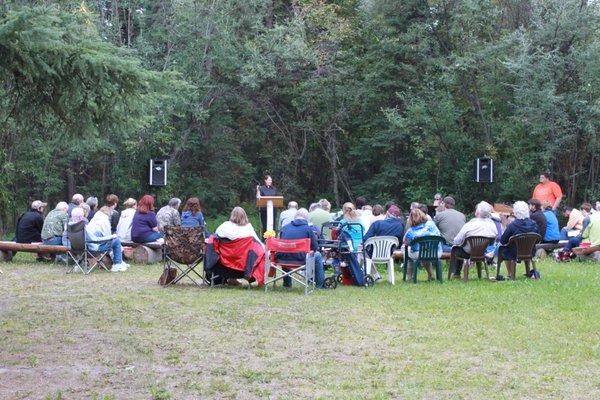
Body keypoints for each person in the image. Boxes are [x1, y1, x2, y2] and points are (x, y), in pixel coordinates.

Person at [278, 208, 326, 289]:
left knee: (286, 252)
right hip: (301, 260)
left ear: (295, 217)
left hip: (283, 259)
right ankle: (319, 285)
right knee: (317, 255)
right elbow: (315, 247)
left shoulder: (284, 228)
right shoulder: (308, 229)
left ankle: (287, 284)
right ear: (307, 218)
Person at [451, 201, 499, 278]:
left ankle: (456, 273)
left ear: (478, 212)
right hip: (483, 252)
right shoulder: (492, 225)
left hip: (467, 253)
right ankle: (477, 273)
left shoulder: (470, 224)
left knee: (456, 249)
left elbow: (457, 240)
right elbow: (492, 241)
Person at [363, 205, 405, 281]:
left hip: (373, 253)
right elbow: (400, 242)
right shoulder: (400, 225)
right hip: (390, 253)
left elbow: (365, 239)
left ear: (387, 213)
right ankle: (376, 276)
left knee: (363, 253)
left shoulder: (377, 223)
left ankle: (374, 275)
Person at [499, 201, 539, 280]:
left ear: (515, 212)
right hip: (530, 252)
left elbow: (503, 241)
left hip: (514, 253)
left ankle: (510, 273)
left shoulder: (512, 225)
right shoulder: (534, 224)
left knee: (504, 249)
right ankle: (528, 271)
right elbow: (537, 239)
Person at [86, 206, 129, 272]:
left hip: (88, 247)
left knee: (112, 240)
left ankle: (120, 261)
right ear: (108, 213)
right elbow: (108, 237)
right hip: (95, 247)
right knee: (116, 240)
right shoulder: (105, 220)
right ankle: (117, 264)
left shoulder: (93, 220)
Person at [403, 209, 442, 281]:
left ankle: (409, 276)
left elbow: (405, 241)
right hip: (437, 252)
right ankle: (431, 274)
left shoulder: (411, 231)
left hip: (420, 253)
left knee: (408, 251)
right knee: (425, 252)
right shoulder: (432, 224)